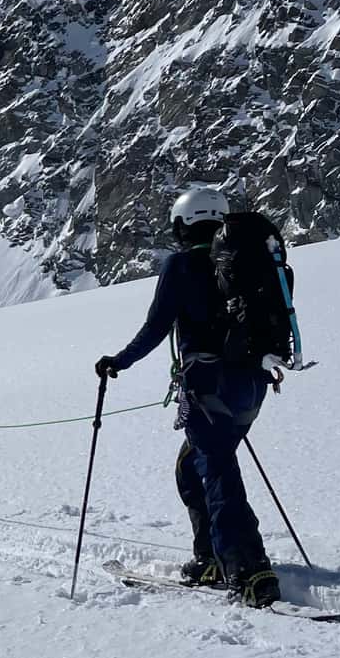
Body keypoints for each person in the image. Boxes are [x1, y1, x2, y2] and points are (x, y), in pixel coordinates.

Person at [95, 187, 280, 608]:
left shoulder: (181, 265)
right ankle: (212, 555)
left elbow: (156, 327)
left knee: (217, 472)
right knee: (193, 466)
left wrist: (117, 362)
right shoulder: (245, 262)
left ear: (183, 224)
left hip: (209, 386)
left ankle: (249, 570)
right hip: (252, 383)